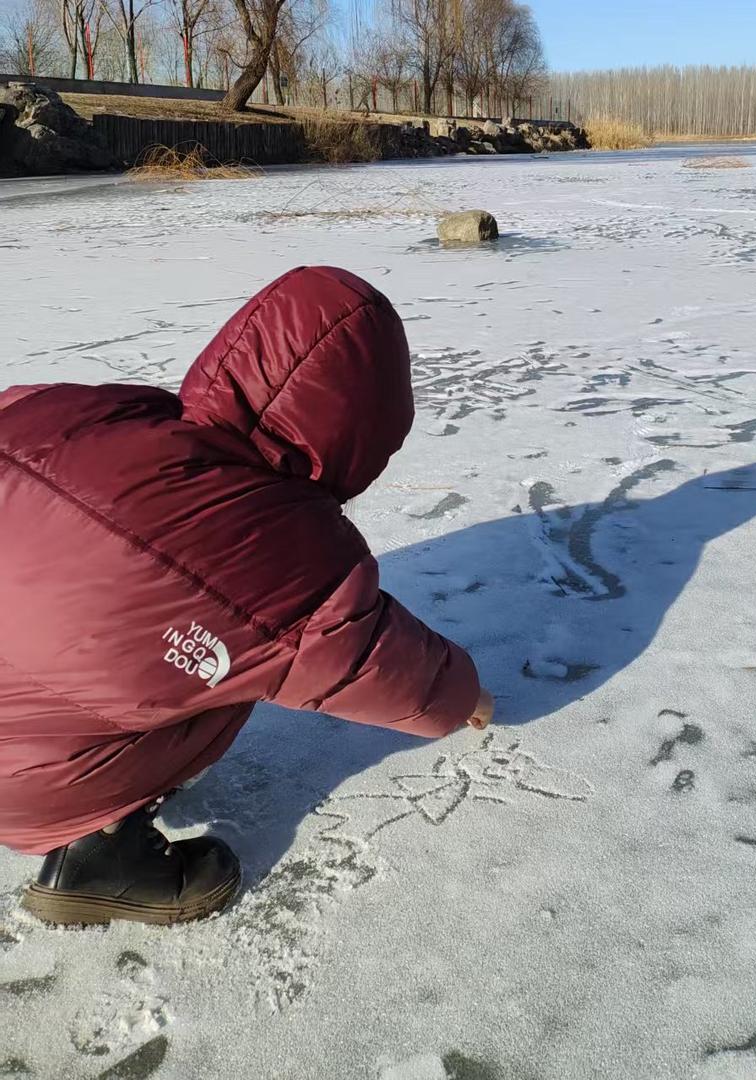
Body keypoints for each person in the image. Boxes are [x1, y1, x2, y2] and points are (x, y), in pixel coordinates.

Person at [0, 265, 494, 927]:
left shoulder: (87, 414)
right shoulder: (277, 549)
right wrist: (464, 693)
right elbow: (364, 661)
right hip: (23, 785)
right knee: (235, 663)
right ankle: (100, 853)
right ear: (362, 428)